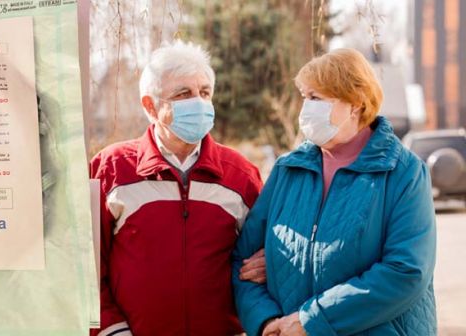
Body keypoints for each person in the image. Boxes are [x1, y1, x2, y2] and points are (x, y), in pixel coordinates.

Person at [233, 48, 437, 336]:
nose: (305, 109)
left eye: (316, 98)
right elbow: (243, 264)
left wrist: (310, 321)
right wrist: (267, 322)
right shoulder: (288, 170)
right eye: (304, 96)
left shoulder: (403, 172)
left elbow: (406, 272)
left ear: (355, 103)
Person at [90, 40, 265, 336]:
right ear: (150, 106)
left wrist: (269, 265)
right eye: (183, 94)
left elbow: (263, 259)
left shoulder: (241, 175)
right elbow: (86, 267)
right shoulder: (111, 168)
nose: (198, 102)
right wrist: (112, 330)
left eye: (204, 92)